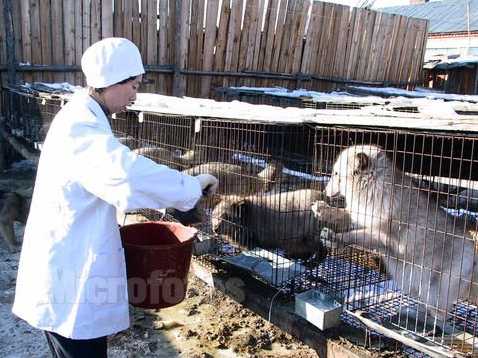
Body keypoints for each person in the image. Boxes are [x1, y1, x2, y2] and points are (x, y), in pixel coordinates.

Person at [12, 37, 218, 357]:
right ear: (110, 82)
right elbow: (125, 174)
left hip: (70, 261)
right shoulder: (80, 126)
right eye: (133, 85)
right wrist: (189, 189)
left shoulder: (86, 116)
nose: (135, 95)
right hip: (69, 276)